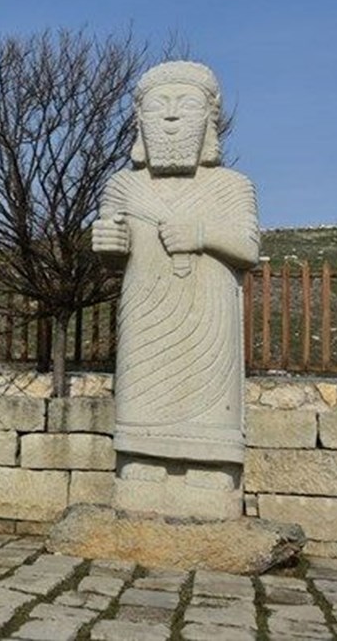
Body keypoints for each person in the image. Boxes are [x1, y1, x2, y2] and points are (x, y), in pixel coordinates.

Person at [92, 61, 259, 519]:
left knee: (208, 391)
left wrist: (201, 233)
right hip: (146, 311)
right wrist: (109, 243)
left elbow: (248, 248)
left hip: (208, 312)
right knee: (143, 386)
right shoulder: (122, 184)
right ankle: (141, 461)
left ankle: (212, 469)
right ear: (139, 118)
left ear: (210, 118)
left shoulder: (231, 186)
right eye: (157, 107)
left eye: (185, 106)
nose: (170, 117)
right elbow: (112, 253)